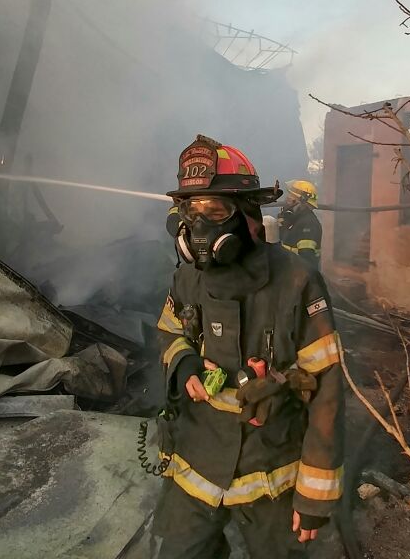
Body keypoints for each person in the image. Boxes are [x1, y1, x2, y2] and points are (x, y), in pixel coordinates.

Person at [153, 135, 344, 559]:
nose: (199, 226)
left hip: (271, 468)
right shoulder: (188, 276)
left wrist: (315, 497)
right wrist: (183, 362)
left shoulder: (296, 280)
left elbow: (328, 388)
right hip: (196, 458)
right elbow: (169, 328)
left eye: (215, 211)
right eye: (191, 210)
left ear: (247, 216)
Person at [278, 180, 322, 271]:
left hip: (297, 278)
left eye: (290, 199)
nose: (287, 202)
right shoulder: (295, 220)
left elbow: (306, 260)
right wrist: (283, 226)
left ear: (301, 201)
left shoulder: (308, 224)